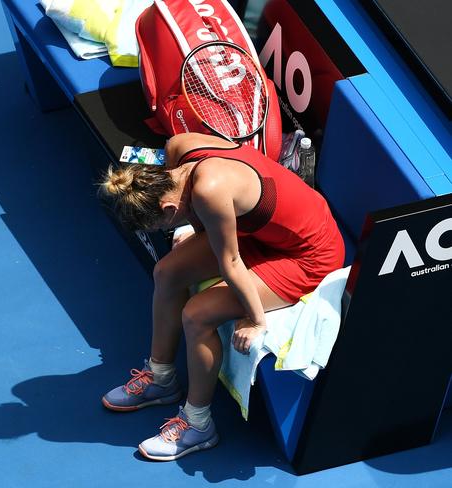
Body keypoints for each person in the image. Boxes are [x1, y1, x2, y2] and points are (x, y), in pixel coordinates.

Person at [97, 132, 345, 461]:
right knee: (167, 273)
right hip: (256, 234)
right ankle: (161, 378)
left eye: (161, 226)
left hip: (308, 252)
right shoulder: (178, 147)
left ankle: (198, 425)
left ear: (170, 210)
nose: (163, 231)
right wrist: (198, 241)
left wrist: (255, 320)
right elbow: (204, 222)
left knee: (197, 314)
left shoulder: (209, 193)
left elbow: (230, 262)